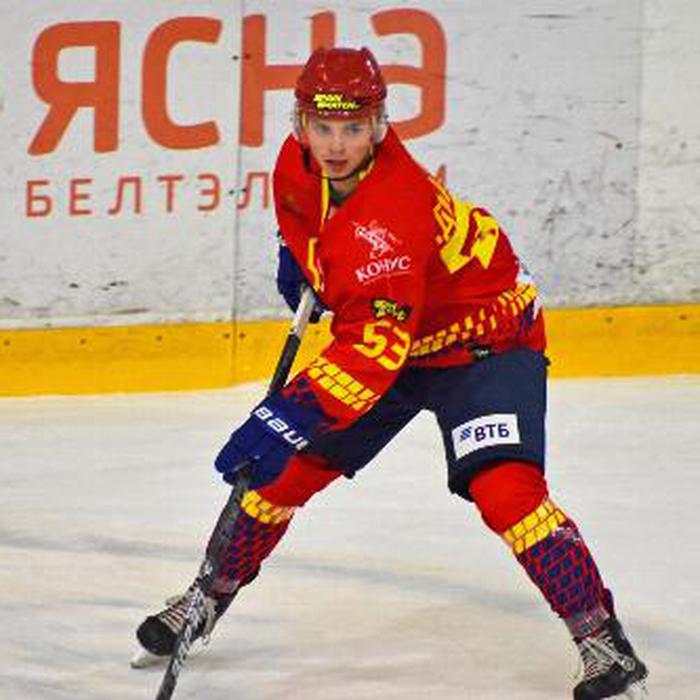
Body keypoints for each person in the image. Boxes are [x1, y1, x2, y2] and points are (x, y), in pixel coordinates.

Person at [134, 47, 648, 699]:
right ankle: (206, 598)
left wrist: (284, 417)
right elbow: (308, 227)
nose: (336, 145)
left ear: (378, 125)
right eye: (323, 127)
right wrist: (302, 259)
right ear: (300, 124)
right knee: (281, 478)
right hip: (398, 337)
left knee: (507, 494)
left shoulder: (391, 213)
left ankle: (601, 640)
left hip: (483, 341)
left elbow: (368, 356)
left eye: (353, 128)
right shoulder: (296, 163)